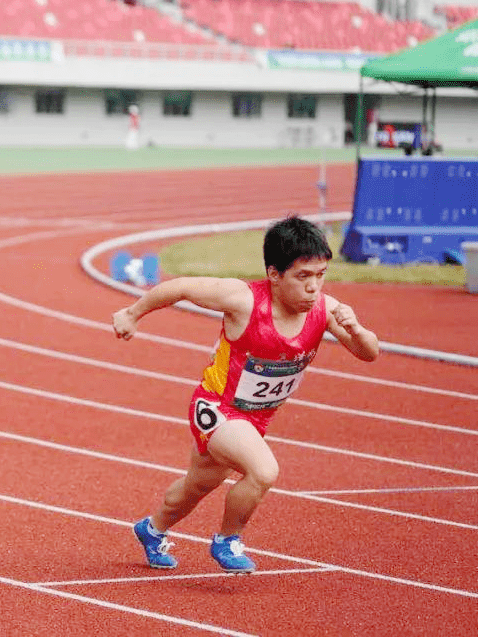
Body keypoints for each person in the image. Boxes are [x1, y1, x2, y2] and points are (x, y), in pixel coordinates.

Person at [113, 216, 379, 573]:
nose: (314, 287)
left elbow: (369, 353)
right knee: (264, 471)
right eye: (303, 277)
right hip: (216, 407)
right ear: (274, 274)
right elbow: (180, 287)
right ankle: (227, 539)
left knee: (197, 485)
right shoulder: (241, 300)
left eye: (321, 274)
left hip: (256, 417)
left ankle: (152, 529)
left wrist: (356, 328)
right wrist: (132, 314)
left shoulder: (327, 309)